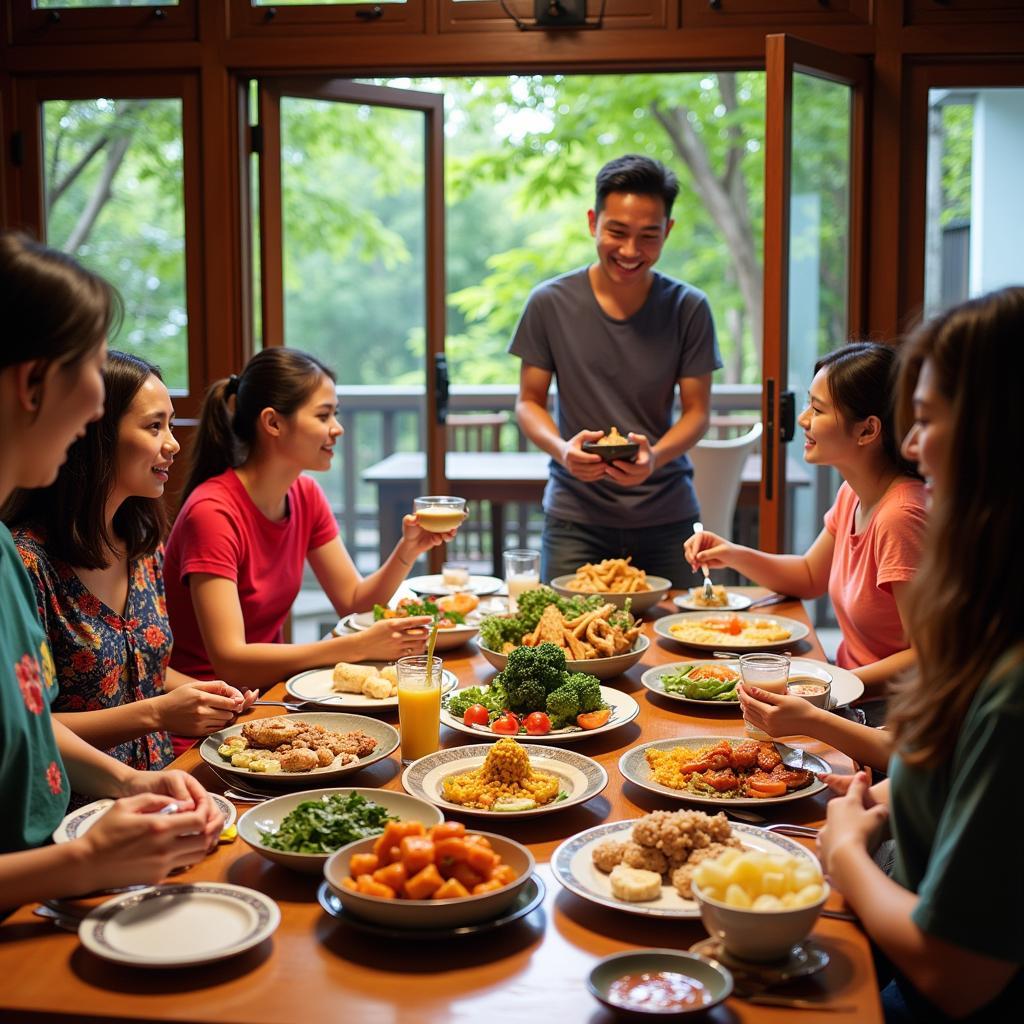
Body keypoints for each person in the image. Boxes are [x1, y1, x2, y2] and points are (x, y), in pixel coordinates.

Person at [813, 288, 1024, 1022]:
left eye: (927, 420)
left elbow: (957, 973)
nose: (911, 445)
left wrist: (844, 850)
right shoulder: (985, 602)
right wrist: (884, 805)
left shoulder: (1011, 682)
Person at [0, 231, 222, 909]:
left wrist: (128, 786)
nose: (98, 405)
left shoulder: (5, 556)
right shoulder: (28, 554)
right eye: (93, 367)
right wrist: (84, 860)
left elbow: (37, 730)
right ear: (35, 382)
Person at [2, 351, 257, 784]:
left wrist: (205, 694)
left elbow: (143, 670)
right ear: (94, 434)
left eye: (171, 425)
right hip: (79, 810)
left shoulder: (143, 545)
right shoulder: (28, 563)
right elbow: (29, 728)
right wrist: (157, 713)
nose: (173, 443)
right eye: (154, 426)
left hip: (164, 783)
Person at [164, 347, 458, 691]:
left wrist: (408, 549)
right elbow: (231, 662)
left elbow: (353, 600)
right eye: (323, 416)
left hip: (271, 693)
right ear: (273, 422)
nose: (338, 429)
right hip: (208, 712)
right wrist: (357, 646)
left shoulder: (304, 494)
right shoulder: (212, 513)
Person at [509, 154, 722, 587]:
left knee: (678, 646)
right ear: (593, 222)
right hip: (575, 516)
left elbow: (698, 412)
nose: (629, 251)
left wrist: (656, 457)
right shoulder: (550, 302)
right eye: (617, 232)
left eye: (648, 236)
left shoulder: (689, 307)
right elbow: (528, 402)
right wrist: (562, 450)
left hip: (668, 515)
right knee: (564, 645)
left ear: (668, 232)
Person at [686, 342, 927, 693]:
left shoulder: (900, 517)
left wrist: (824, 685)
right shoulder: (853, 495)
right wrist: (731, 553)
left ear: (867, 430)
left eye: (817, 409)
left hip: (887, 711)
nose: (802, 420)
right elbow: (810, 576)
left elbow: (926, 658)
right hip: (850, 689)